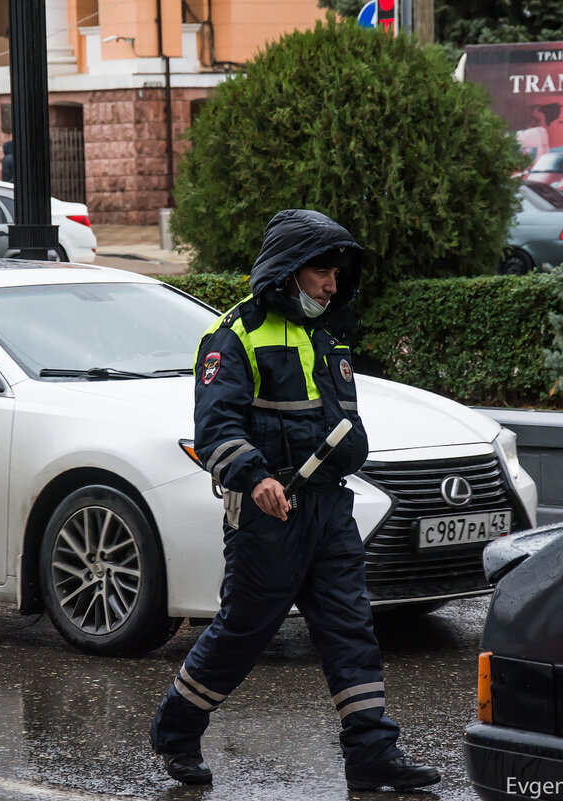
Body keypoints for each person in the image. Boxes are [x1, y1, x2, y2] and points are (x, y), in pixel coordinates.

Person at [148, 209, 441, 792]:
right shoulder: (235, 336)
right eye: (322, 272)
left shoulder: (327, 336)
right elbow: (217, 428)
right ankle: (176, 731)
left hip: (327, 509)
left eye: (338, 273)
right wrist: (255, 478)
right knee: (243, 633)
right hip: (267, 513)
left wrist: (350, 448)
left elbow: (341, 425)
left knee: (351, 627)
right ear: (288, 271)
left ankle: (371, 752)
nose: (333, 285)